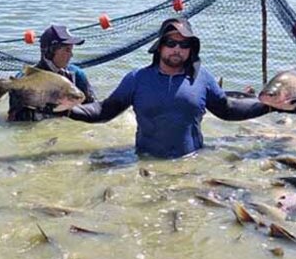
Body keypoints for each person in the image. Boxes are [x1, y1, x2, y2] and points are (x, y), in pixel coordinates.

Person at [67, 16, 284, 158]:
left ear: (192, 49)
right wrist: (67, 110)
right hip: (145, 163)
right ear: (160, 47)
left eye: (184, 44)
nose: (177, 49)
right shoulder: (137, 79)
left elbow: (228, 110)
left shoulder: (203, 78)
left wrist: (271, 106)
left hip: (191, 163)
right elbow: (103, 111)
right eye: (171, 43)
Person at [8, 24, 96, 122]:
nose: (71, 55)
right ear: (50, 51)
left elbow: (93, 110)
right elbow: (13, 121)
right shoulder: (23, 80)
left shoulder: (77, 75)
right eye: (67, 50)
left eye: (71, 50)